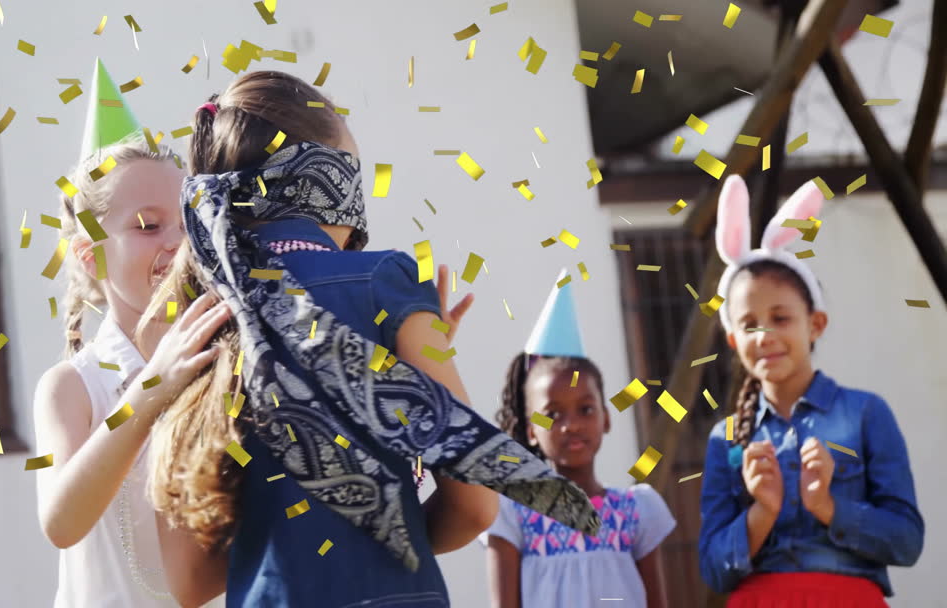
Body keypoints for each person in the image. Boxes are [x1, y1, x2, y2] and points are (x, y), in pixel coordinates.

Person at [139, 70, 604, 608]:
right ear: (325, 181)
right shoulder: (387, 282)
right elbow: (476, 505)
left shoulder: (190, 329)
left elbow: (191, 582)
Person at [32, 58, 228, 607]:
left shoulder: (220, 363)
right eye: (147, 226)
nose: (176, 243)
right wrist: (152, 387)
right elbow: (60, 521)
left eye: (185, 224)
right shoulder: (71, 387)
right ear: (90, 254)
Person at [698, 175, 924, 606]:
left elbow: (907, 541)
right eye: (749, 324)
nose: (764, 335)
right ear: (733, 341)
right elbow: (713, 568)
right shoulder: (724, 438)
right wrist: (761, 513)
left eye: (780, 318)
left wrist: (827, 507)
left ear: (815, 324)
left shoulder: (866, 414)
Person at [483, 275, 674, 608]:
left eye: (585, 409)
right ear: (531, 430)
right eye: (553, 414)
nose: (570, 425)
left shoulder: (635, 511)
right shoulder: (513, 514)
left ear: (606, 418)